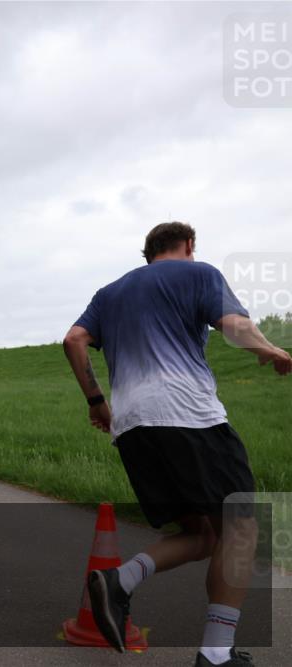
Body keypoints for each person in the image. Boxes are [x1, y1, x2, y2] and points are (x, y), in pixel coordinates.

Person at [62, 222, 290, 666]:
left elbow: (74, 340)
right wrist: (268, 349)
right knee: (243, 528)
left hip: (131, 427)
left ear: (148, 253)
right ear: (188, 246)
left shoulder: (109, 292)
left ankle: (120, 581)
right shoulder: (198, 272)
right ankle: (216, 654)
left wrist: (96, 403)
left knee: (201, 535)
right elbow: (235, 325)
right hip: (189, 417)